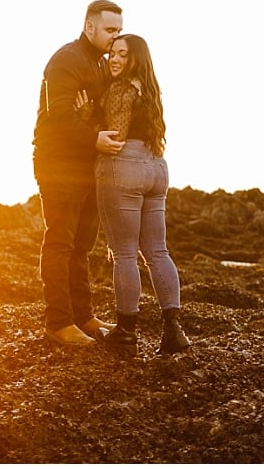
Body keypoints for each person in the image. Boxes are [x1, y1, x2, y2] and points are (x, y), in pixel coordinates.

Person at [32, 0, 126, 347]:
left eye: (119, 29)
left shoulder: (101, 65)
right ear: (90, 27)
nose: (116, 37)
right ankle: (58, 323)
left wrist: (91, 120)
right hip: (58, 166)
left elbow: (96, 112)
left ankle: (83, 316)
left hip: (87, 166)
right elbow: (59, 115)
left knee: (82, 246)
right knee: (60, 243)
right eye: (110, 30)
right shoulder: (66, 60)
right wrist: (92, 134)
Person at [93, 33, 191, 357]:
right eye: (112, 53)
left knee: (124, 254)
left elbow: (116, 136)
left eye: (122, 54)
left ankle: (126, 334)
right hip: (156, 168)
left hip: (125, 168)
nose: (115, 59)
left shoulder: (121, 89)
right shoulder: (148, 89)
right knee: (158, 252)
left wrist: (84, 116)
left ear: (135, 58)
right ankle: (174, 332)